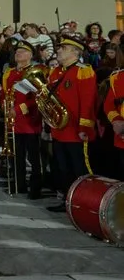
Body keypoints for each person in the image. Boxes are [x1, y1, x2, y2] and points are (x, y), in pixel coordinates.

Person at [45, 36, 97, 212]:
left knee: (79, 168)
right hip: (59, 129)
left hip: (76, 130)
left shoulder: (84, 71)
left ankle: (83, 203)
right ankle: (68, 201)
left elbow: (88, 101)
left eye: (64, 48)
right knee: (63, 167)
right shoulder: (55, 72)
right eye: (59, 48)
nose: (59, 50)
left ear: (75, 52)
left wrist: (85, 127)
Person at [1, 40, 44, 198]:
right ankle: (19, 184)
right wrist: (3, 106)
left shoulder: (36, 71)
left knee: (34, 157)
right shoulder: (9, 73)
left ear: (31, 55)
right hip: (13, 122)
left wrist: (19, 109)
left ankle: (35, 187)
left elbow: (39, 97)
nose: (18, 53)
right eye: (17, 51)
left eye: (23, 51)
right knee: (15, 156)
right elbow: (4, 94)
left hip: (30, 121)